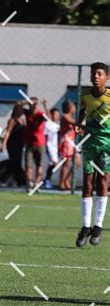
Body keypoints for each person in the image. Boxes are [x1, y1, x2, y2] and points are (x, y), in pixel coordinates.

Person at [75, 62, 109, 247]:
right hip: (89, 144)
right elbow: (82, 114)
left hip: (106, 146)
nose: (95, 76)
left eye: (99, 74)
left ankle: (98, 226)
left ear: (107, 77)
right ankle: (86, 226)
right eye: (93, 74)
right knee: (87, 183)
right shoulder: (85, 95)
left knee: (103, 182)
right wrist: (79, 125)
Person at [22, 97, 51, 191]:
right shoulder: (27, 112)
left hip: (39, 143)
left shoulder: (40, 114)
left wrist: (45, 106)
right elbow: (17, 106)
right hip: (29, 143)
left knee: (39, 164)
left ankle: (37, 183)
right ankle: (29, 183)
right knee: (28, 165)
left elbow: (49, 119)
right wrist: (26, 102)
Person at [0, 102, 26, 187]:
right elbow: (8, 133)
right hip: (12, 144)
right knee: (14, 162)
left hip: (20, 144)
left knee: (16, 163)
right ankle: (5, 179)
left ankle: (18, 181)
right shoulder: (12, 120)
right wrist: (3, 144)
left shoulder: (22, 120)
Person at [59, 101, 81, 190]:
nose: (75, 108)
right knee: (66, 163)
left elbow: (78, 129)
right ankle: (61, 183)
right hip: (66, 142)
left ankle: (66, 180)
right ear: (69, 108)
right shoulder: (65, 117)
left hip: (72, 143)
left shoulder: (71, 119)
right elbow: (75, 124)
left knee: (78, 162)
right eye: (73, 106)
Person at [43, 108, 60, 189]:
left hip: (55, 148)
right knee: (53, 163)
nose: (56, 117)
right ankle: (47, 180)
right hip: (50, 147)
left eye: (57, 115)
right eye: (55, 114)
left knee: (53, 164)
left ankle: (47, 179)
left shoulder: (57, 125)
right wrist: (45, 105)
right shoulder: (48, 124)